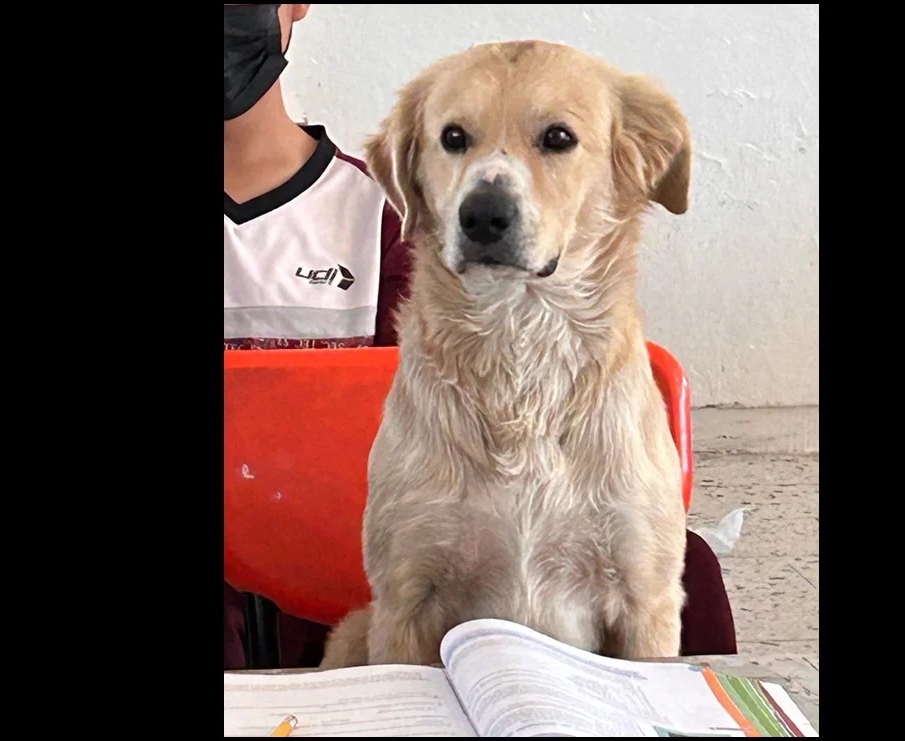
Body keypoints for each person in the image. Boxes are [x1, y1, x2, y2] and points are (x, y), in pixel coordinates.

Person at [223, 3, 736, 669]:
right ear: (414, 175)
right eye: (456, 140)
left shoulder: (360, 215)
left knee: (685, 576)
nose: (487, 194)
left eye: (554, 140)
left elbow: (645, 622)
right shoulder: (400, 215)